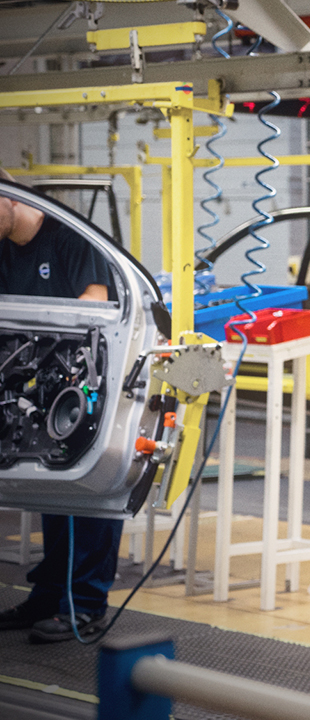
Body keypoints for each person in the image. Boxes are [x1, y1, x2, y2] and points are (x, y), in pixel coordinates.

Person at [0, 167, 120, 644]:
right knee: (50, 493)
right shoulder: (5, 249)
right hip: (31, 385)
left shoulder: (71, 237)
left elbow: (93, 305)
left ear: (9, 195)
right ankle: (48, 598)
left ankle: (86, 606)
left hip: (82, 382)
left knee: (89, 493)